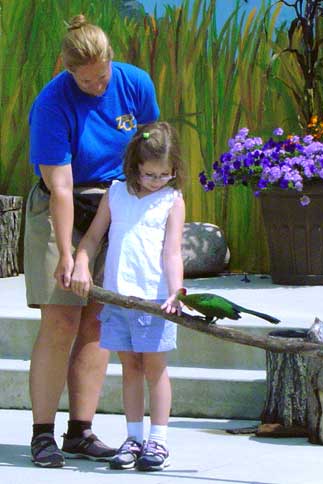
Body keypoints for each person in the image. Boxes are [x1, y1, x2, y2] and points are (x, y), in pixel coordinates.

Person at [24, 14, 160, 468]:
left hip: (114, 203)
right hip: (62, 206)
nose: (98, 86)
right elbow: (60, 188)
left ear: (110, 60)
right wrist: (68, 254)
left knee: (96, 322)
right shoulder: (51, 104)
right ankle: (42, 434)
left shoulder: (135, 84)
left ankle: (80, 431)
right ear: (67, 69)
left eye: (102, 76)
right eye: (86, 80)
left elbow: (151, 153)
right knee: (62, 317)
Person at [71, 122, 185, 472]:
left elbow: (172, 252)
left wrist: (175, 290)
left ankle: (159, 440)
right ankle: (133, 437)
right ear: (135, 165)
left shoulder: (171, 200)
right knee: (130, 368)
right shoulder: (115, 194)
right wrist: (81, 263)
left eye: (165, 174)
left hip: (153, 300)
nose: (157, 180)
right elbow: (92, 239)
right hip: (119, 300)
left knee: (155, 368)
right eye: (151, 174)